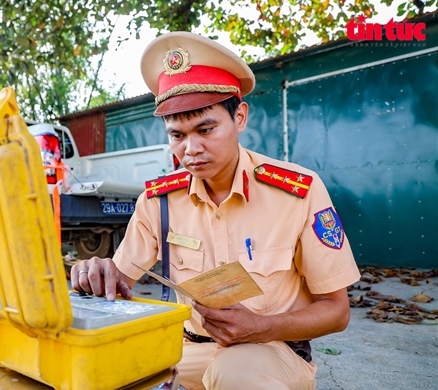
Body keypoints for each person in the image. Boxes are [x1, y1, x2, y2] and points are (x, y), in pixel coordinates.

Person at [71, 31, 360, 390]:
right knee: (91, 374)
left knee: (236, 373)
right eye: (177, 135)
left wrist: (263, 326)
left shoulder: (298, 192)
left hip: (271, 351)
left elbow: (337, 310)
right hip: (186, 351)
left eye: (206, 129)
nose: (191, 149)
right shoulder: (158, 201)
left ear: (239, 117)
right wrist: (98, 274)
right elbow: (120, 279)